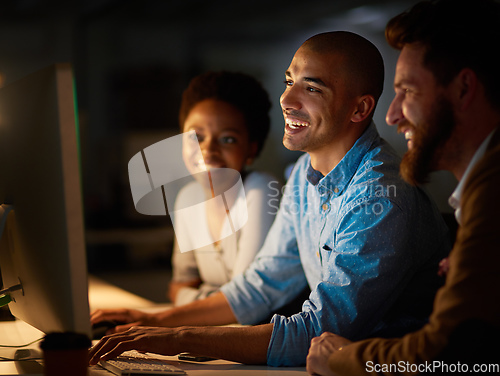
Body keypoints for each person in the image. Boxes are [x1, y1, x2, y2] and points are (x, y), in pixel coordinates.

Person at [89, 31, 450, 367]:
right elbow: (262, 285)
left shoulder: (379, 196)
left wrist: (174, 339)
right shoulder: (302, 179)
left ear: (359, 110)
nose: (287, 100)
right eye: (289, 82)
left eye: (312, 89)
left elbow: (318, 331)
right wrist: (152, 321)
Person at [306, 1, 500, 375]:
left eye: (407, 91)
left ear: (463, 89)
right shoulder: (481, 190)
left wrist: (340, 360)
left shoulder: (493, 194)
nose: (392, 116)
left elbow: (445, 356)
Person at [167, 71, 279, 306]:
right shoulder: (187, 199)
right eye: (196, 136)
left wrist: (193, 298)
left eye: (227, 139)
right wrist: (211, 299)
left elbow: (245, 302)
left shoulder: (261, 190)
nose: (208, 150)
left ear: (251, 149)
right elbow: (178, 286)